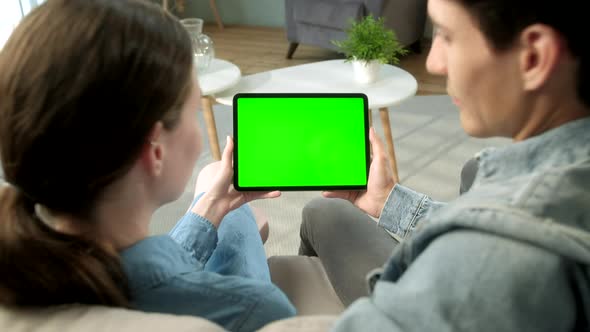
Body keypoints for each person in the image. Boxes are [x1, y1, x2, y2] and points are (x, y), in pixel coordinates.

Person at [0, 0, 295, 331]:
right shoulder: (255, 311)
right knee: (256, 216)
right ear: (154, 150)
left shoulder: (25, 269)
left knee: (222, 188)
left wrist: (211, 207)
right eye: (193, 110)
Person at [301, 0, 590, 329]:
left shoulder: (492, 257)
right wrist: (387, 200)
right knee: (471, 171)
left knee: (319, 211)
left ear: (534, 58)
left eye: (447, 35)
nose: (435, 62)